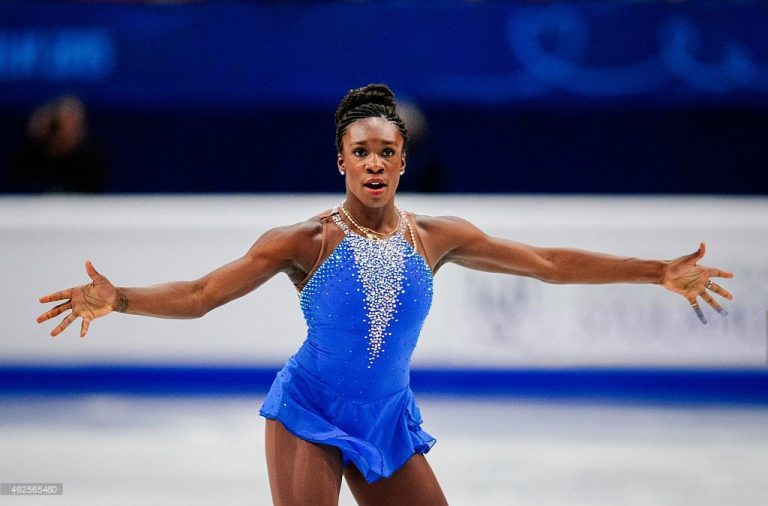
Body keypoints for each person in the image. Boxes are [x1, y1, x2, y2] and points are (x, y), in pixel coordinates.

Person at [36, 84, 733, 506]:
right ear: (341, 160)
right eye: (359, 151)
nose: (373, 163)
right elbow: (199, 294)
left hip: (388, 420)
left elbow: (548, 263)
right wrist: (119, 298)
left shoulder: (436, 237)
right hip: (308, 411)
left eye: (385, 151)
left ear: (402, 160)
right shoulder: (303, 240)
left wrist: (656, 271)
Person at [8, 95, 108, 193]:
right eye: (65, 122)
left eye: (76, 124)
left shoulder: (88, 157)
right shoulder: (34, 152)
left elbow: (94, 190)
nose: (71, 128)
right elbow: (18, 183)